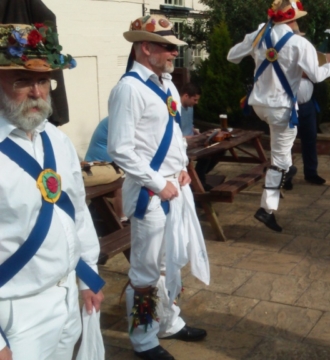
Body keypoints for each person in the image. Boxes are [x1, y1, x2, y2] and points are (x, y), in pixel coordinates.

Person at [107, 15, 210, 360]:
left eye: (174, 48)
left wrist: (181, 169)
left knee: (169, 264)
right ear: (144, 47)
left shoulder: (167, 85)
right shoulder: (128, 89)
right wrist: (158, 182)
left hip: (173, 189)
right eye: (167, 47)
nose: (173, 53)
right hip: (150, 196)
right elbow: (120, 149)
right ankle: (143, 339)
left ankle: (169, 322)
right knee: (145, 272)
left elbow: (173, 137)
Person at [0, 23, 104, 360]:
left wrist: (88, 277)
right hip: (15, 315)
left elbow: (75, 210)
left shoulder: (56, 139)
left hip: (65, 299)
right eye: (22, 81)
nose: (37, 93)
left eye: (44, 81)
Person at [228, 0, 330, 232]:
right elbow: (317, 76)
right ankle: (266, 209)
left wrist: (256, 47)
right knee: (280, 161)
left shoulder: (260, 34)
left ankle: (278, 185)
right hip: (281, 108)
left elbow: (232, 56)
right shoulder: (300, 43)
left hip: (259, 105)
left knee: (282, 158)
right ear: (294, 19)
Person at [85, 117, 127, 222]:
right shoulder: (118, 120)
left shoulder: (119, 118)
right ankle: (122, 219)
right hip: (100, 164)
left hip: (110, 162)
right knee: (123, 184)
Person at [295, 74, 327, 186]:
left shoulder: (308, 57)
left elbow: (315, 73)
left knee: (310, 139)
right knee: (286, 142)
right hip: (289, 105)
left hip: (308, 104)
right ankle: (285, 176)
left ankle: (311, 173)